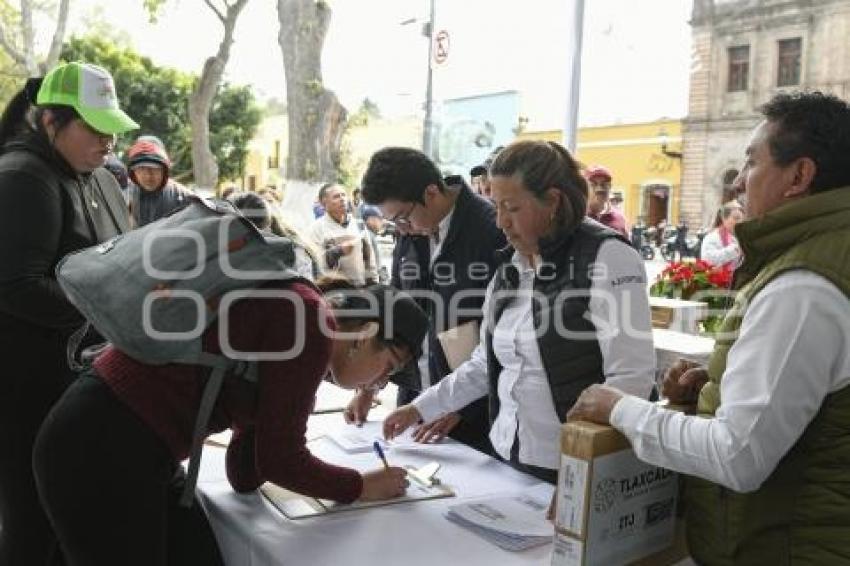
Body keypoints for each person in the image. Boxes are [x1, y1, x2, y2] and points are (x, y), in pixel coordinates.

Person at [568, 91, 850, 564]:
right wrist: (713, 394)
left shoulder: (803, 286)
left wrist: (620, 409)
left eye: (752, 162)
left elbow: (737, 457)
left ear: (799, 176)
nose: (739, 181)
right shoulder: (821, 256)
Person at [33, 280, 428, 565]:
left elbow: (243, 472)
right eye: (386, 369)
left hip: (131, 445)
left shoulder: (298, 321)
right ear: (363, 335)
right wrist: (360, 486)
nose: (378, 385)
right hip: (99, 446)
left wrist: (283, 405)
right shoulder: (309, 321)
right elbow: (280, 460)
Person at [382, 140, 655, 481]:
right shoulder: (510, 267)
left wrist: (586, 473)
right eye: (495, 207)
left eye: (511, 208)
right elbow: (484, 364)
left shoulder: (607, 257)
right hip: (507, 453)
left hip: (568, 465)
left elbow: (631, 378)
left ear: (553, 201)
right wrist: (419, 408)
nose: (500, 223)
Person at [0, 61, 137, 566]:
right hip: (23, 387)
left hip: (73, 377)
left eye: (112, 131)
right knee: (31, 520)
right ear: (51, 122)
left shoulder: (91, 175)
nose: (107, 143)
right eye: (94, 129)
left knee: (67, 517)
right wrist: (113, 313)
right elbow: (16, 286)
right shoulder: (22, 177)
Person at [348, 147, 507, 455]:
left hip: (469, 412)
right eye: (394, 223)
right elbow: (397, 309)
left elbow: (498, 340)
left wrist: (458, 405)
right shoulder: (411, 228)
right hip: (414, 397)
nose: (402, 229)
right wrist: (370, 384)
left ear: (431, 192)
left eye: (403, 218)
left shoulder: (491, 231)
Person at [308, 183, 378, 286]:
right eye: (336, 196)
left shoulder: (359, 224)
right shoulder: (316, 229)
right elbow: (315, 262)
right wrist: (338, 251)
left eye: (344, 195)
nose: (342, 199)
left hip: (360, 289)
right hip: (333, 291)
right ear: (324, 202)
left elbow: (369, 258)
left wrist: (373, 282)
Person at [125, 135, 191, 227]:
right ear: (133, 172)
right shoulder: (127, 196)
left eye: (154, 169)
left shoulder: (185, 198)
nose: (148, 176)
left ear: (164, 171)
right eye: (141, 169)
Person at [585, 165, 629, 238]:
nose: (599, 189)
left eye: (604, 184)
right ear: (585, 188)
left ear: (610, 187)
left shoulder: (619, 219)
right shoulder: (579, 218)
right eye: (593, 184)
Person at [701, 200, 744, 269]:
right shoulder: (712, 237)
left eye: (741, 219)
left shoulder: (738, 238)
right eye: (736, 218)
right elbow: (708, 260)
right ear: (724, 219)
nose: (739, 222)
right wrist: (735, 249)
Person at [361, 205, 389, 284]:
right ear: (370, 220)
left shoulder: (370, 235)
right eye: (379, 218)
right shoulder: (368, 237)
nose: (383, 222)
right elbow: (376, 264)